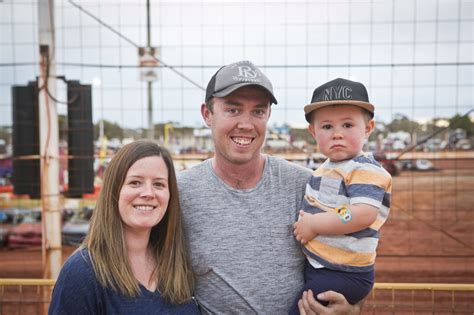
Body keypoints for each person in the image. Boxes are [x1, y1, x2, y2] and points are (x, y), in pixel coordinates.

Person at [177, 60, 363, 314]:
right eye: (233, 110)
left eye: (258, 111)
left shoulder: (307, 184)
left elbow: (352, 249)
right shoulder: (180, 191)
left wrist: (353, 308)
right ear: (207, 114)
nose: (246, 123)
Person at [49, 140, 199, 314]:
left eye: (159, 184)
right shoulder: (82, 273)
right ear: (114, 190)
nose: (148, 193)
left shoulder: (177, 265)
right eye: (135, 182)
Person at [290, 78, 392, 314]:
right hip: (324, 265)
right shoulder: (328, 168)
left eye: (347, 125)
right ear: (313, 132)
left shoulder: (364, 170)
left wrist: (314, 223)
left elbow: (361, 214)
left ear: (368, 128)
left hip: (344, 272)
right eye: (327, 127)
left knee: (302, 310)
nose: (337, 134)